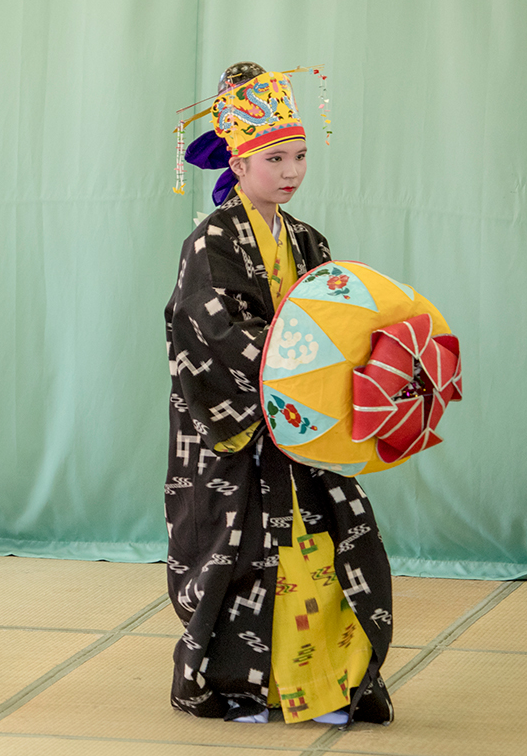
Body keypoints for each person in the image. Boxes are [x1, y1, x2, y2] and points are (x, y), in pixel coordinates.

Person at [163, 63, 393, 726]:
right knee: (239, 555)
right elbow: (201, 326)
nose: (290, 172)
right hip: (240, 427)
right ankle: (243, 686)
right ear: (237, 161)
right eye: (275, 158)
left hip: (305, 425)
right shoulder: (210, 241)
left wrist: (344, 371)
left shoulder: (308, 239)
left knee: (329, 542)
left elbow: (335, 320)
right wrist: (285, 375)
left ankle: (331, 684)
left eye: (298, 157)